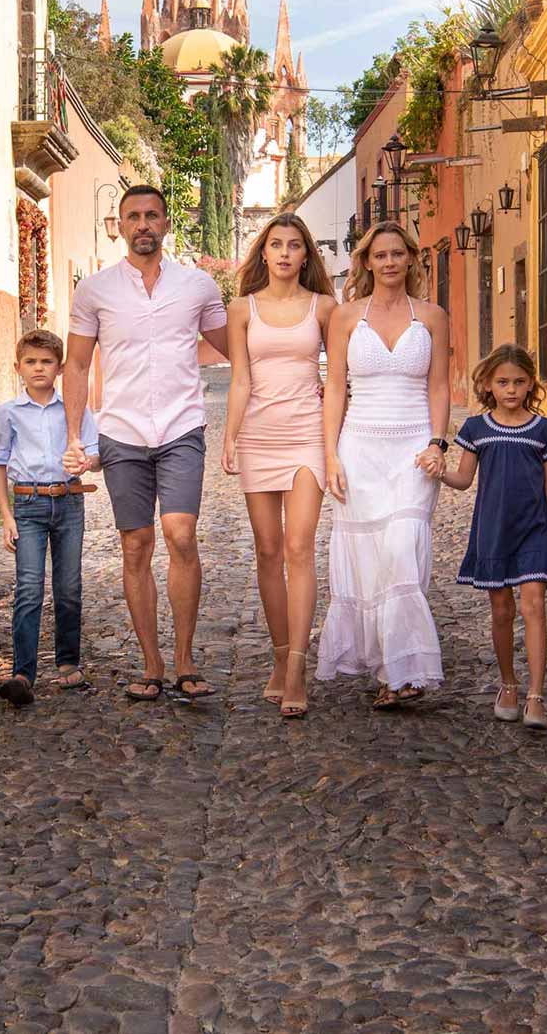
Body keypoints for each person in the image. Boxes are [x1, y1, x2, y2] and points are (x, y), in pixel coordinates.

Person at [63, 185, 230, 702]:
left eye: (152, 215)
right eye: (132, 216)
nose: (142, 224)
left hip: (182, 427)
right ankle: (151, 662)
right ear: (120, 223)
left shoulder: (198, 286)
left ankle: (183, 658)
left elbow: (238, 351)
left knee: (181, 535)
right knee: (135, 545)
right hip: (121, 434)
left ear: (165, 223)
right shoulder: (94, 290)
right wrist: (74, 435)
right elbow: (76, 364)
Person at [316, 221, 451, 710]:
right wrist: (330, 453)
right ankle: (391, 671)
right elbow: (334, 388)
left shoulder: (433, 316)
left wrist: (438, 443)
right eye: (380, 255)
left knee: (402, 547)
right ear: (367, 262)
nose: (390, 262)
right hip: (360, 446)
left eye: (398, 254)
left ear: (412, 259)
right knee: (370, 560)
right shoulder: (347, 316)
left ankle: (405, 665)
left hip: (414, 445)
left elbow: (439, 386)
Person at [220, 215, 338, 719]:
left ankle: (296, 667)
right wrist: (228, 435)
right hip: (258, 435)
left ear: (306, 255)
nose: (285, 253)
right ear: (263, 254)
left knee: (298, 546)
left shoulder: (326, 308)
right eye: (276, 245)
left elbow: (338, 380)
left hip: (307, 434)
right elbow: (241, 379)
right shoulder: (241, 308)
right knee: (267, 551)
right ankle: (277, 654)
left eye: (294, 245)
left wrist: (334, 444)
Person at [435, 344, 547, 728]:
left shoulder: (545, 431)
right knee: (502, 610)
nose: (511, 389)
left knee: (534, 606)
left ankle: (536, 696)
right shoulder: (477, 429)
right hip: (493, 531)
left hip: (534, 532)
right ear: (488, 385)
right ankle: (508, 684)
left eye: (519, 382)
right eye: (503, 382)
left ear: (531, 385)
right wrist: (438, 470)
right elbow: (462, 480)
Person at [0, 330, 102, 707]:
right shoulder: (7, 413)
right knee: (29, 589)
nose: (39, 368)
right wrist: (6, 516)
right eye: (31, 362)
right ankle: (23, 673)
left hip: (69, 503)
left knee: (68, 587)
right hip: (28, 506)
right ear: (18, 367)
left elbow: (96, 453)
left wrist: (86, 460)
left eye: (47, 362)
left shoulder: (76, 409)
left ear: (60, 367)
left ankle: (68, 663)